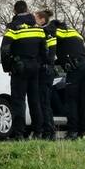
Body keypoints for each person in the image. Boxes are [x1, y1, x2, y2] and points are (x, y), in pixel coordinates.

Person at [0, 0, 47, 139]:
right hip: (34, 69)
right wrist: (38, 63)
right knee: (35, 101)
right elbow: (45, 51)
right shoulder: (38, 28)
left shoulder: (13, 27)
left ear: (15, 11)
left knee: (18, 101)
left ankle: (19, 133)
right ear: (27, 9)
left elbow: (5, 49)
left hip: (19, 69)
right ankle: (38, 131)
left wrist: (8, 67)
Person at [47, 15, 85, 139]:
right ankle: (82, 131)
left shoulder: (59, 32)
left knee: (71, 101)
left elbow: (50, 32)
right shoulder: (75, 33)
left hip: (74, 70)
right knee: (82, 101)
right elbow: (68, 53)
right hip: (84, 68)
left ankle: (72, 132)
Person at [34, 9, 58, 141]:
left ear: (42, 20)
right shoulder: (49, 30)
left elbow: (50, 54)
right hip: (46, 71)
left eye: (35, 18)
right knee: (43, 102)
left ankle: (50, 131)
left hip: (45, 71)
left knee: (44, 102)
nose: (34, 20)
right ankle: (46, 131)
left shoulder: (46, 32)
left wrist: (44, 64)